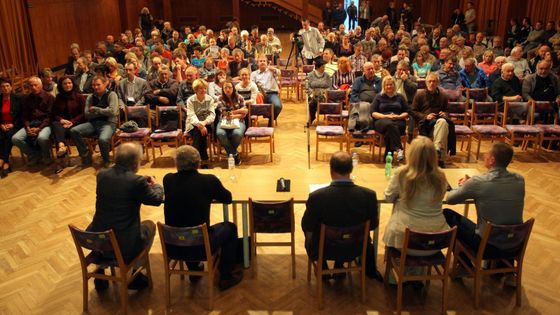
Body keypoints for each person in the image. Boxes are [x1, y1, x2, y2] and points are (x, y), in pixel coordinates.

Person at [444, 142, 524, 286]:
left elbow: (450, 199)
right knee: (505, 218)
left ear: (492, 160)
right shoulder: (520, 180)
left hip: (488, 246)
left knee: (447, 214)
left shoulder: (477, 182)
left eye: (487, 153)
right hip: (515, 243)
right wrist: (471, 184)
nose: (484, 155)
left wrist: (465, 185)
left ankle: (464, 266)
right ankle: (507, 270)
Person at [163, 144, 242, 289]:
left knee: (185, 224)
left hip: (173, 245)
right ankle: (226, 275)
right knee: (230, 228)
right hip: (201, 246)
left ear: (176, 163)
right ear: (198, 162)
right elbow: (228, 198)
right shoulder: (209, 181)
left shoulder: (167, 180)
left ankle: (193, 269)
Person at [88, 142, 163, 291]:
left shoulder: (102, 174)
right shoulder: (137, 182)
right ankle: (136, 274)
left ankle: (100, 273)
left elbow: (120, 186)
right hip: (122, 243)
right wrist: (156, 185)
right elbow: (156, 200)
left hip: (97, 238)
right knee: (150, 226)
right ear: (135, 162)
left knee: (106, 230)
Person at [301, 151, 382, 281]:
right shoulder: (369, 195)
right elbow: (373, 225)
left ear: (331, 169)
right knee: (346, 230)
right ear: (351, 169)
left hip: (325, 249)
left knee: (310, 229)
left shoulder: (317, 197)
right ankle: (340, 264)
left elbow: (307, 225)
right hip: (356, 247)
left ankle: (323, 267)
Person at [383, 137, 449, 282]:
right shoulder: (441, 177)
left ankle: (398, 277)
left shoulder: (401, 174)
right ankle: (417, 275)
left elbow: (388, 197)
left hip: (406, 243)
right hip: (436, 241)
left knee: (401, 219)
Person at [70, 76, 118, 167]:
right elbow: (87, 114)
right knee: (74, 131)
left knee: (103, 139)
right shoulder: (90, 97)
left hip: (108, 123)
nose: (96, 87)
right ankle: (86, 155)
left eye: (98, 85)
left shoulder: (112, 95)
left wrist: (96, 109)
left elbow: (113, 112)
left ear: (105, 84)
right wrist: (104, 111)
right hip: (93, 123)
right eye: (94, 85)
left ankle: (107, 161)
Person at [411, 73, 452, 167]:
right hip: (425, 123)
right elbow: (413, 111)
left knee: (443, 122)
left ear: (437, 83)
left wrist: (445, 114)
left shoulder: (443, 95)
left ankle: (437, 152)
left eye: (434, 81)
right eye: (429, 81)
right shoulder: (419, 94)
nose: (432, 83)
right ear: (426, 83)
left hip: (438, 122)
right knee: (444, 126)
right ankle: (439, 157)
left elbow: (447, 111)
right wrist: (425, 116)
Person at [12, 77, 54, 166]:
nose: (33, 87)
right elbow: (24, 115)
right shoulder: (26, 98)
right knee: (15, 138)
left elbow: (50, 116)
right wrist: (27, 127)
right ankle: (34, 155)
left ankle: (47, 157)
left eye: (36, 85)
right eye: (31, 86)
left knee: (42, 138)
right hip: (31, 124)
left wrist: (39, 128)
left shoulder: (49, 97)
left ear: (41, 85)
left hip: (45, 124)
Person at [371, 76, 409, 161]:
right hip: (382, 120)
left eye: (391, 84)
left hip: (398, 120)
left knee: (390, 129)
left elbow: (407, 112)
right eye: (387, 85)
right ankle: (399, 148)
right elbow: (373, 113)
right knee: (389, 124)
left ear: (394, 85)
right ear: (383, 86)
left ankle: (388, 156)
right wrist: (386, 116)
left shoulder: (400, 97)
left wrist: (399, 116)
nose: (389, 86)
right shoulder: (379, 97)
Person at [51, 76, 85, 161]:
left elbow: (83, 114)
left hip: (77, 123)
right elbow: (54, 114)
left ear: (73, 84)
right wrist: (61, 120)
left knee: (58, 131)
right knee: (55, 124)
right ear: (61, 85)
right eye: (65, 83)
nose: (67, 85)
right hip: (63, 125)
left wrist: (72, 122)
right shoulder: (58, 97)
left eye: (69, 83)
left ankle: (61, 158)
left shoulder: (79, 96)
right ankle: (61, 145)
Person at [185, 79, 216, 166]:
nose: (203, 90)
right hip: (193, 124)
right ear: (195, 90)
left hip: (207, 123)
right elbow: (191, 115)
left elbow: (212, 115)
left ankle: (194, 159)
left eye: (205, 88)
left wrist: (204, 123)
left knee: (200, 134)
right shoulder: (190, 100)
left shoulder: (210, 99)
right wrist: (200, 125)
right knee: (199, 133)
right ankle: (204, 159)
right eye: (201, 88)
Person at [216, 81, 247, 165]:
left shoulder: (239, 97)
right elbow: (224, 113)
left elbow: (245, 112)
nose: (228, 89)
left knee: (237, 134)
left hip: (239, 121)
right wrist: (238, 111)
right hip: (223, 121)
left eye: (230, 87)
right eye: (225, 88)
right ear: (222, 89)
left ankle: (230, 153)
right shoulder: (219, 98)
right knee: (220, 133)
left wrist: (233, 115)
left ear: (233, 88)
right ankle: (234, 154)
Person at [251, 54, 282, 124]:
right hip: (259, 94)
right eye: (260, 61)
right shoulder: (253, 74)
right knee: (250, 105)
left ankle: (271, 119)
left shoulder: (271, 71)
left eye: (264, 61)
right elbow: (252, 85)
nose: (262, 62)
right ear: (257, 63)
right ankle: (252, 123)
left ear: (267, 62)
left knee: (278, 106)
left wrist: (274, 69)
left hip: (272, 94)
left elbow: (279, 73)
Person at [0, 77, 21, 177]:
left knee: (8, 136)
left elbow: (22, 115)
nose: (5, 88)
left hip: (15, 125)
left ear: (11, 87)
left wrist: (13, 124)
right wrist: (1, 125)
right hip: (2, 125)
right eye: (3, 86)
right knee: (0, 136)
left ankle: (3, 160)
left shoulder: (18, 98)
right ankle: (6, 162)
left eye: (7, 86)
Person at [306, 59, 331, 124]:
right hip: (313, 96)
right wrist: (312, 93)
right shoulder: (310, 75)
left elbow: (329, 87)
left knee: (324, 101)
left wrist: (325, 92)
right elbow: (307, 87)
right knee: (312, 103)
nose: (324, 68)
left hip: (324, 96)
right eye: (323, 67)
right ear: (317, 67)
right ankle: (312, 118)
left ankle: (328, 119)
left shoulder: (327, 76)